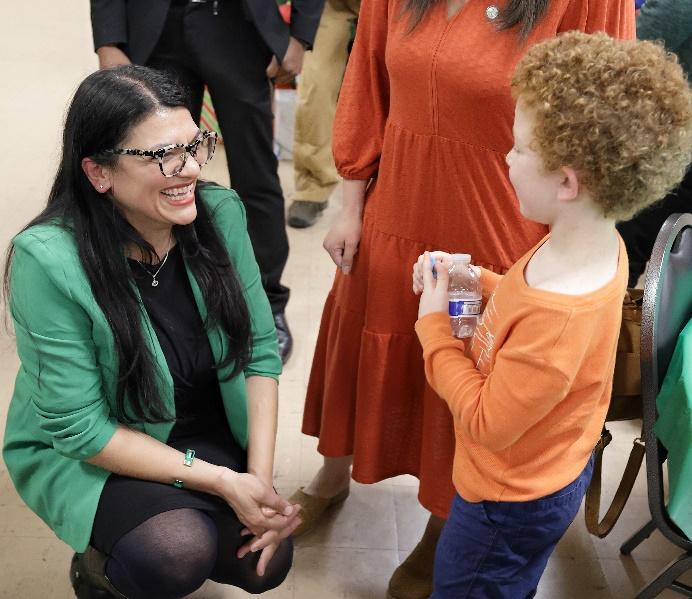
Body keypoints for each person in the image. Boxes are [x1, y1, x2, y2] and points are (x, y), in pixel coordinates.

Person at [291, 2, 634, 598]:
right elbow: (366, 77)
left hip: (501, 221)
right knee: (368, 332)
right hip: (397, 199)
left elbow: (607, 113)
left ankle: (448, 519)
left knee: (470, 368)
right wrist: (349, 203)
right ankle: (333, 472)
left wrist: (569, 243)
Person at [2, 66, 301, 599]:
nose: (188, 169)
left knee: (264, 564)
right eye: (162, 155)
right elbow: (82, 430)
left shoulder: (219, 214)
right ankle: (98, 573)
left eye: (195, 145)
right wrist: (223, 482)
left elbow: (258, 352)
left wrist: (259, 481)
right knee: (173, 551)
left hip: (199, 424)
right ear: (98, 173)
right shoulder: (47, 261)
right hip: (101, 445)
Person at [412, 31, 692, 597]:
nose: (507, 158)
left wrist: (434, 327)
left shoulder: (559, 308)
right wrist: (472, 283)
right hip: (549, 474)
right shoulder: (593, 244)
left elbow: (488, 422)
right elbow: (519, 305)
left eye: (517, 148)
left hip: (505, 503)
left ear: (566, 182)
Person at [90, 0, 326, 362]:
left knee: (255, 174)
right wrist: (108, 39)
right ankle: (160, 298)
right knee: (154, 169)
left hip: (238, 27)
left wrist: (300, 36)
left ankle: (264, 303)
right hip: (156, 27)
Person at [616, 0, 692, 286]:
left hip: (671, 136)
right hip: (670, 131)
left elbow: (634, 44)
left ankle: (613, 328)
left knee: (624, 243)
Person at [287, 0, 361, 228]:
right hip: (330, 5)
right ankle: (313, 188)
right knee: (315, 87)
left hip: (398, 5)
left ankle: (399, 188)